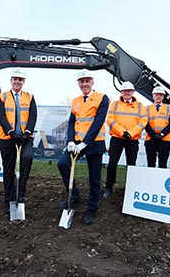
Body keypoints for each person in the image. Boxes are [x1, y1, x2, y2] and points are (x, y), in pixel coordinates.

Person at [58, 69, 109, 225]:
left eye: (87, 81)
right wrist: (71, 141)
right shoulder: (76, 100)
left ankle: (92, 208)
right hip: (77, 143)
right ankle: (74, 197)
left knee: (94, 179)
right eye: (82, 81)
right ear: (78, 83)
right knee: (63, 164)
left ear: (92, 82)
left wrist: (85, 143)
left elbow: (98, 122)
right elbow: (72, 122)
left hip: (94, 143)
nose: (84, 84)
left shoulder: (102, 98)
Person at [0, 69, 37, 215]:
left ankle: (21, 193)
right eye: (15, 79)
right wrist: (10, 132)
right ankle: (9, 199)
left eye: (20, 79)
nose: (17, 82)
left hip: (25, 139)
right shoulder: (2, 97)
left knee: (27, 158)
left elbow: (33, 116)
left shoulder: (30, 97)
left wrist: (27, 132)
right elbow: (0, 115)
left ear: (23, 82)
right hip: (7, 139)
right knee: (8, 170)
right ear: (11, 81)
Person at [103, 81, 147, 199]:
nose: (127, 93)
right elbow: (110, 120)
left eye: (129, 91)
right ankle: (108, 187)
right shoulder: (115, 104)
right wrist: (122, 132)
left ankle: (130, 188)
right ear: (121, 92)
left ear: (133, 92)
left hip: (132, 140)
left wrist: (131, 133)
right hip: (117, 138)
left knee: (131, 165)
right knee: (112, 163)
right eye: (125, 91)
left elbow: (143, 122)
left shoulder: (140, 106)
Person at [144, 86, 170, 168]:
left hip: (164, 140)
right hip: (150, 140)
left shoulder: (169, 108)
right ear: (153, 95)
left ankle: (161, 180)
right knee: (151, 164)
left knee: (163, 164)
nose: (158, 96)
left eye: (161, 95)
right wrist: (153, 135)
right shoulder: (146, 108)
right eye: (156, 94)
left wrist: (162, 134)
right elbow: (145, 123)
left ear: (163, 96)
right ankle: (151, 180)